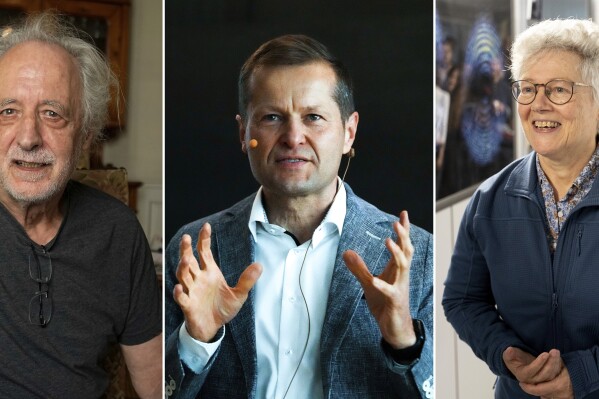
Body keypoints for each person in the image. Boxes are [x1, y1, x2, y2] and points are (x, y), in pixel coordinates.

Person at [164, 34, 433, 398]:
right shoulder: (194, 251)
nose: (293, 137)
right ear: (243, 133)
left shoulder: (419, 255)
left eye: (314, 118)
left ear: (348, 133)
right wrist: (197, 340)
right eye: (272, 117)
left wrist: (404, 342)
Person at [0, 12, 162, 398]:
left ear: (85, 137)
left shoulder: (117, 233)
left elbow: (156, 382)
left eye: (52, 114)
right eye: (8, 111)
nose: (28, 137)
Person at [443, 18, 599, 399]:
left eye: (558, 89)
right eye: (526, 88)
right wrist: (506, 354)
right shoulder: (489, 200)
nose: (537, 104)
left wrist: (582, 375)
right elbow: (462, 300)